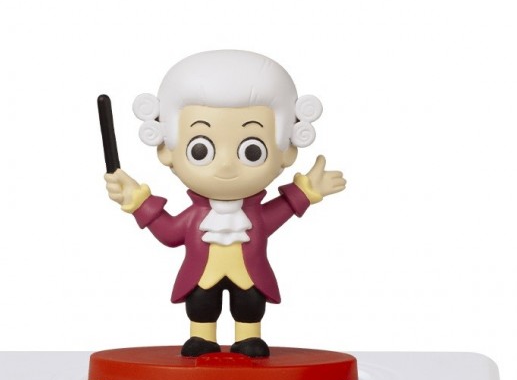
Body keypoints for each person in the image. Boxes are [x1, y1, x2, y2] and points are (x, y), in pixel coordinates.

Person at [106, 49, 346, 357]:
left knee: (250, 303)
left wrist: (307, 191)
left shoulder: (254, 217)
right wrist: (138, 201)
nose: (226, 166)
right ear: (167, 151)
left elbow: (280, 211)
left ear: (286, 153)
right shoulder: (196, 217)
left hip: (250, 277)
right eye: (201, 150)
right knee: (201, 302)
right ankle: (201, 337)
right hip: (200, 277)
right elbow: (169, 233)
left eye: (252, 151)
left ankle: (249, 339)